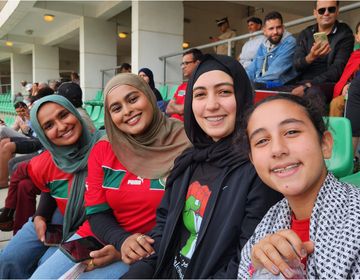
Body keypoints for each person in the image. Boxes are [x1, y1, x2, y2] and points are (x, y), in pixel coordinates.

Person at [122, 54, 282, 279]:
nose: (212, 105)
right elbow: (164, 228)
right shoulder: (187, 161)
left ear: (242, 96)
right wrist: (142, 270)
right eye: (200, 95)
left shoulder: (258, 169)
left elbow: (246, 262)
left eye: (224, 92)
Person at [30, 73, 190, 279]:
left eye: (133, 99)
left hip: (148, 246)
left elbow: (185, 220)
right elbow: (96, 212)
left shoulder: (186, 144)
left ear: (150, 96)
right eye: (116, 108)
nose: (127, 111)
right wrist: (121, 240)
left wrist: (124, 250)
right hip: (98, 237)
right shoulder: (103, 149)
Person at [237, 94, 360, 279]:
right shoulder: (266, 226)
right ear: (253, 160)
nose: (277, 149)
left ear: (325, 144)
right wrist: (258, 271)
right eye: (262, 141)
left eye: (292, 132)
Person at [0, 95, 104, 279]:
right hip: (59, 219)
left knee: (46, 265)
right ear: (42, 134)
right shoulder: (43, 163)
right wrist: (40, 215)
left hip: (97, 227)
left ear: (75, 113)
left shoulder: (107, 148)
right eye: (49, 126)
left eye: (64, 115)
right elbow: (48, 189)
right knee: (9, 258)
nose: (62, 126)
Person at [288, 0, 354, 104]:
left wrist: (309, 85)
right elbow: (296, 65)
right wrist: (311, 57)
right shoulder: (306, 33)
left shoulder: (345, 34)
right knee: (272, 94)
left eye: (331, 9)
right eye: (321, 10)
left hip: (328, 83)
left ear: (337, 11)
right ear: (315, 13)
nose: (326, 13)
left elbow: (337, 70)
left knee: (313, 93)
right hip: (301, 82)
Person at [246, 11, 297, 88]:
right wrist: (241, 80)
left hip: (281, 87)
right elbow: (251, 69)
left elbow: (274, 73)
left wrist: (252, 84)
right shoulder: (263, 45)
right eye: (271, 28)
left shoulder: (290, 42)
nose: (275, 32)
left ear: (283, 28)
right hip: (261, 84)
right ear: (265, 31)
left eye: (278, 27)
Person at [166, 48, 203, 121]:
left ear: (197, 63)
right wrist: (180, 109)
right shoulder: (182, 86)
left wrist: (176, 108)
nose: (183, 67)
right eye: (182, 64)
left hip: (184, 126)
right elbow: (168, 109)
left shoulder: (202, 85)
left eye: (186, 63)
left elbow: (185, 110)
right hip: (171, 122)